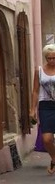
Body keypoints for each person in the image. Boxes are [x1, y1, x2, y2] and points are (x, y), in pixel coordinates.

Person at [30, 44, 55, 174]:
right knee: (47, 139)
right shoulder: (39, 71)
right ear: (45, 58)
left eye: (54, 58)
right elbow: (35, 91)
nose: (51, 60)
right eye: (49, 58)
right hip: (45, 106)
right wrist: (32, 109)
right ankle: (54, 158)